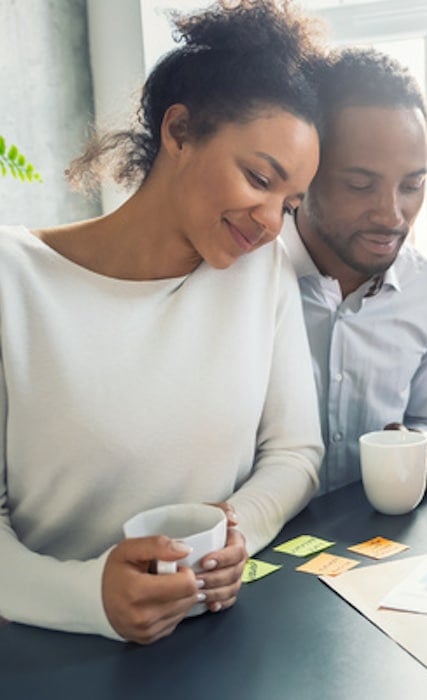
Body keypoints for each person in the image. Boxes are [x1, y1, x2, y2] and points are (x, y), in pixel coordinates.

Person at [0, 0, 326, 643]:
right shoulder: (13, 281)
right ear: (179, 131)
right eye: (259, 177)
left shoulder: (261, 278)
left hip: (214, 644)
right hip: (40, 650)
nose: (270, 222)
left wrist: (234, 529)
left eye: (289, 205)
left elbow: (296, 453)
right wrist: (90, 596)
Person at [279, 47, 427, 495]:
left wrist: (422, 448)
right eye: (360, 185)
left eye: (412, 185)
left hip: (376, 544)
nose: (392, 215)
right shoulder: (246, 279)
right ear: (307, 172)